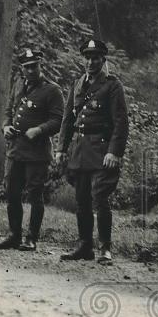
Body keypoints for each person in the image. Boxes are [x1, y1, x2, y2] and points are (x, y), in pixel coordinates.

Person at [55, 38, 129, 264]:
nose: (90, 62)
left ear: (102, 59)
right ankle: (84, 246)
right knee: (82, 200)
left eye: (95, 58)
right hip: (80, 150)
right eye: (87, 58)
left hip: (101, 151)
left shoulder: (112, 85)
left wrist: (114, 152)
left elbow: (121, 122)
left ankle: (105, 248)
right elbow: (68, 120)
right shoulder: (78, 85)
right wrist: (61, 149)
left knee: (100, 197)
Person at [0, 48, 64, 252]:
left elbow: (58, 120)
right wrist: (5, 126)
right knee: (12, 194)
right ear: (22, 69)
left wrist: (39, 130)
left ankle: (31, 238)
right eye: (27, 67)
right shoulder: (19, 84)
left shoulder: (52, 90)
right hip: (15, 150)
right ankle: (14, 235)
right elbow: (8, 110)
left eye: (34, 66)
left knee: (35, 196)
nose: (31, 70)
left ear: (41, 65)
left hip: (37, 154)